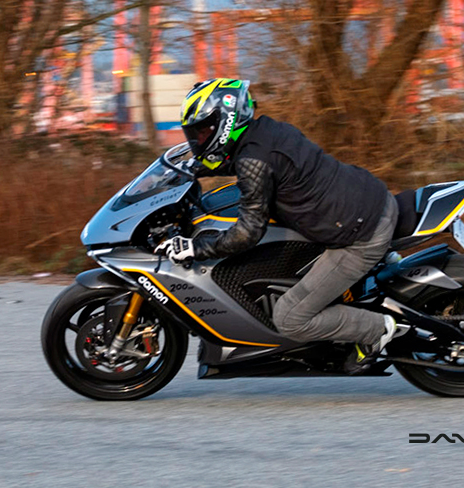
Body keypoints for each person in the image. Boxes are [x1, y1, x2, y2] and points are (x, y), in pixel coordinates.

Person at [156, 78, 406, 373]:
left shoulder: (253, 159)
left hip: (359, 236)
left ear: (225, 123)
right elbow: (246, 162)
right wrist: (189, 168)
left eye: (202, 130)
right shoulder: (266, 131)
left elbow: (247, 233)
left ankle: (378, 328)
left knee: (290, 317)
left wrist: (195, 248)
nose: (197, 139)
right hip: (367, 201)